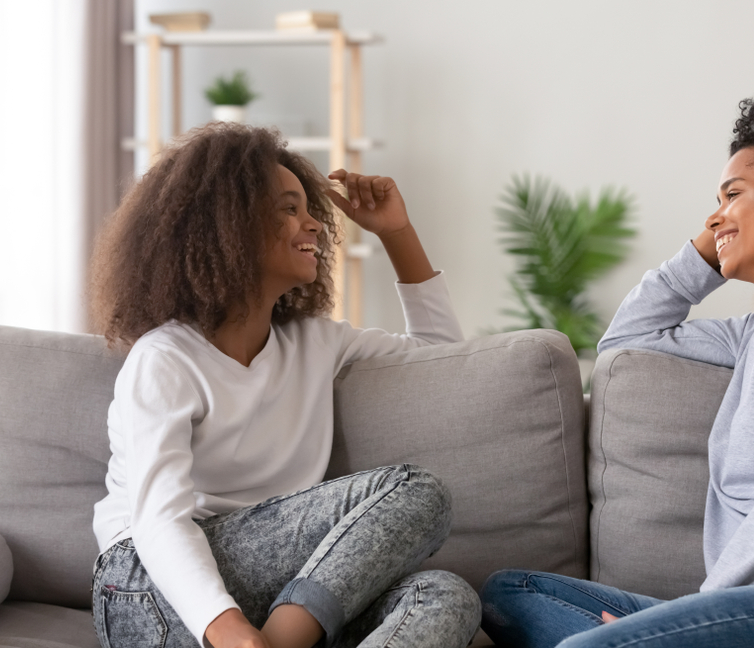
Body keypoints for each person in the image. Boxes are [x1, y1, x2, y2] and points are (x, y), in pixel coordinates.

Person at [480, 87, 754, 648]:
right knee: (507, 592)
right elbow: (627, 340)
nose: (714, 217)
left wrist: (700, 612)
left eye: (733, 194)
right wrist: (715, 242)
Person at [88, 123, 481, 648]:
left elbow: (441, 359)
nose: (315, 223)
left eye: (309, 208)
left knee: (444, 595)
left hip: (273, 593)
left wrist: (395, 232)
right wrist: (231, 635)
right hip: (147, 587)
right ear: (227, 226)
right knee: (416, 490)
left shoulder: (316, 343)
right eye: (289, 208)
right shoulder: (164, 358)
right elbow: (160, 522)